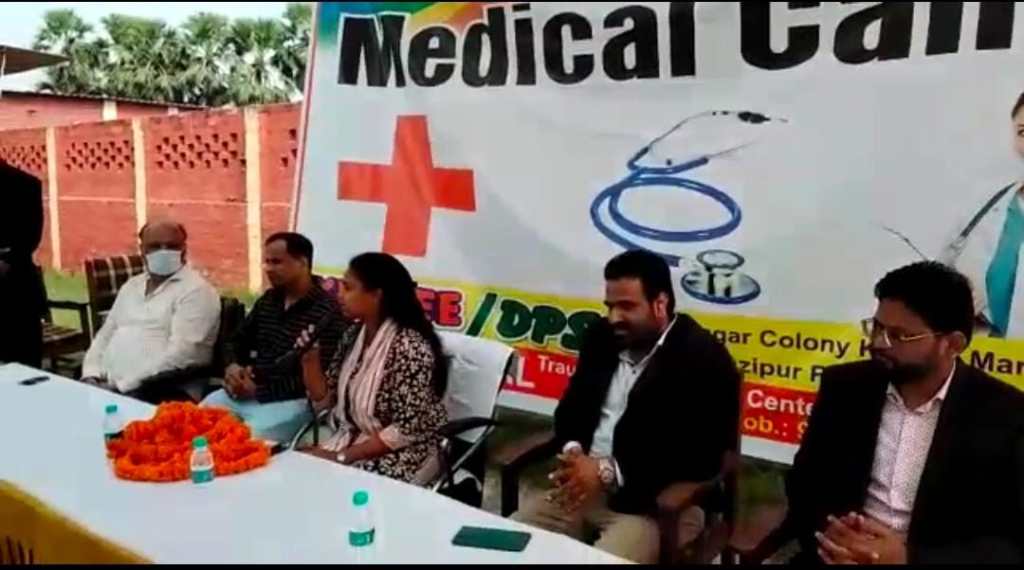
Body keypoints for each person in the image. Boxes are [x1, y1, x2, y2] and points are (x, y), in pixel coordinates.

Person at [783, 262, 1024, 564]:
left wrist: (907, 558)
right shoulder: (845, 387)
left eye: (899, 336)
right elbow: (804, 483)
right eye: (877, 328)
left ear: (953, 344)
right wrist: (836, 537)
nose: (877, 343)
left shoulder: (1006, 415)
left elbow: (1011, 543)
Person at [511, 250, 741, 564]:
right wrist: (575, 453)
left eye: (627, 306)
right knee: (506, 544)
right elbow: (570, 412)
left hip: (651, 506)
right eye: (610, 306)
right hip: (581, 490)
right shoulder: (601, 338)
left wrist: (607, 471)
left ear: (660, 304)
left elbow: (700, 457)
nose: (614, 317)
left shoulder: (704, 359)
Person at [297, 252, 449, 485]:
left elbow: (406, 430)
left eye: (348, 288)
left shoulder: (410, 347)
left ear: (377, 295)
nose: (340, 295)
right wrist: (309, 360)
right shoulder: (352, 335)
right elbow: (325, 400)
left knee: (339, 488)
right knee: (300, 471)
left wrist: (340, 457)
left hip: (405, 450)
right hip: (355, 438)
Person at [203, 232, 345, 443]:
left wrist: (260, 391)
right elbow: (235, 341)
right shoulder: (269, 300)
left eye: (277, 262)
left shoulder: (328, 312)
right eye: (267, 262)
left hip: (293, 401)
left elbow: (322, 378)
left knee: (245, 443)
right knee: (194, 421)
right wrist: (233, 368)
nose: (268, 268)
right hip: (246, 391)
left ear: (302, 263)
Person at [81, 220, 220, 398]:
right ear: (142, 250)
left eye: (171, 246)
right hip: (106, 386)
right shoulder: (132, 286)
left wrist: (121, 387)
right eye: (155, 246)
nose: (163, 251)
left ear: (183, 249)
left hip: (159, 391)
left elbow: (182, 355)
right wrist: (90, 374)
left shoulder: (196, 291)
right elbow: (105, 334)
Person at [941, 90, 1024, 337]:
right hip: (982, 353)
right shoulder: (984, 206)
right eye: (1023, 132)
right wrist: (952, 293)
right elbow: (935, 276)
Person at [0, 161, 46, 368]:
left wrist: (7, 260)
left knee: (25, 369)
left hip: (18, 292)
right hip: (19, 285)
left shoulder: (26, 184)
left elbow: (30, 238)